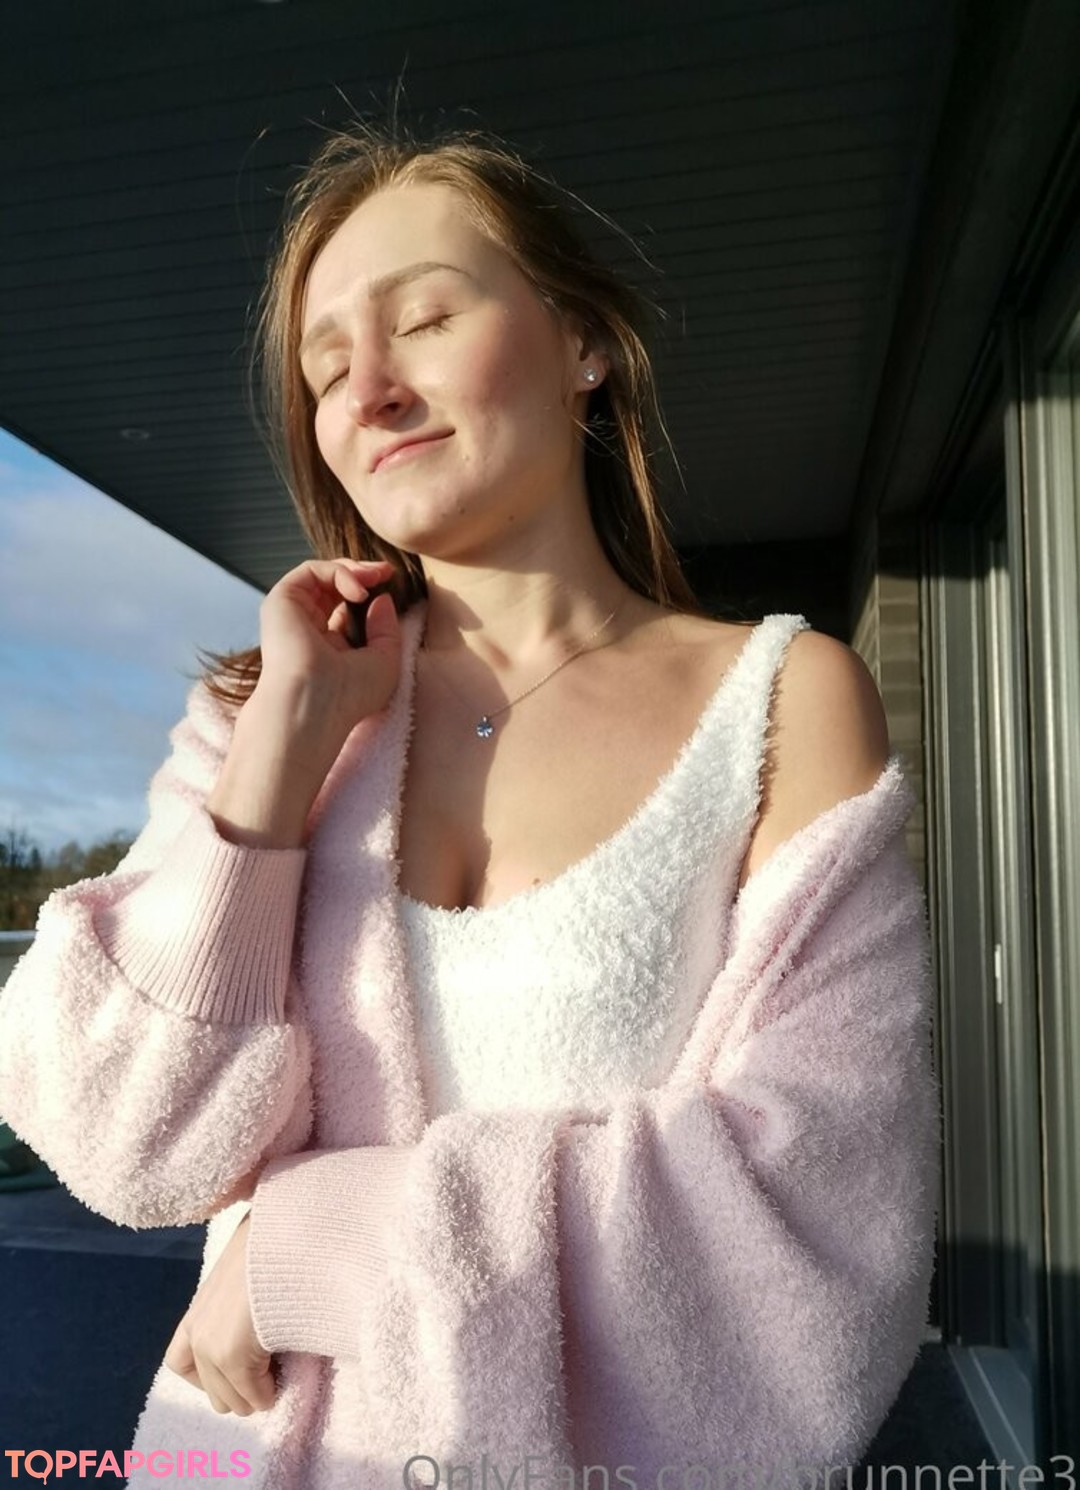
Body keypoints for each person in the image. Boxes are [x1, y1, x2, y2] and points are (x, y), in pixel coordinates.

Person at [0, 123, 940, 1490]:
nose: (370, 391)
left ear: (584, 344)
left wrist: (311, 1245)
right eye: (327, 370)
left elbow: (824, 1215)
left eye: (426, 320)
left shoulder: (782, 703)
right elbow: (130, 1146)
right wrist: (278, 764)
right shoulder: (265, 712)